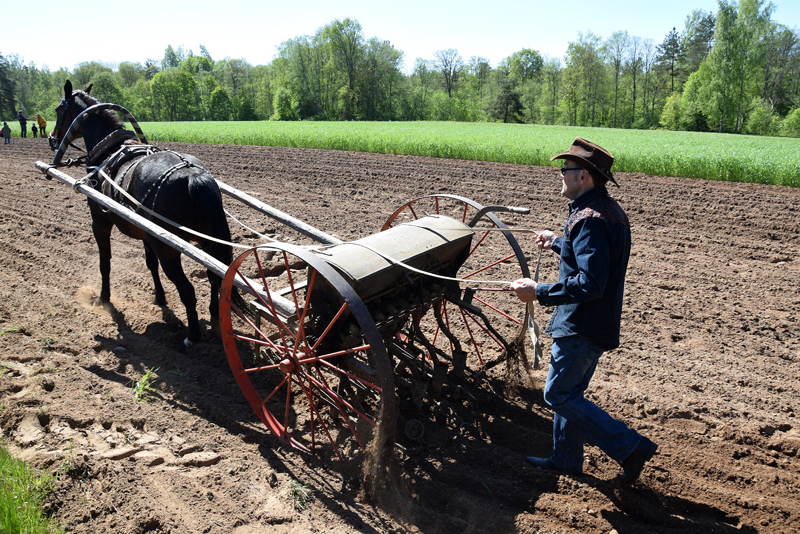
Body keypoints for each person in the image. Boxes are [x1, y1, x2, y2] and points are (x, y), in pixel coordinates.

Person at [510, 137, 657, 488]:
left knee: (558, 395)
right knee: (570, 393)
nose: (561, 175)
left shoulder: (589, 218)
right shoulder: (604, 211)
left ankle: (630, 447)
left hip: (581, 325)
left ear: (585, 177)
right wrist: (557, 240)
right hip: (592, 323)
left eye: (567, 169)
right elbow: (590, 255)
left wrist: (538, 292)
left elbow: (591, 282)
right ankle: (566, 458)